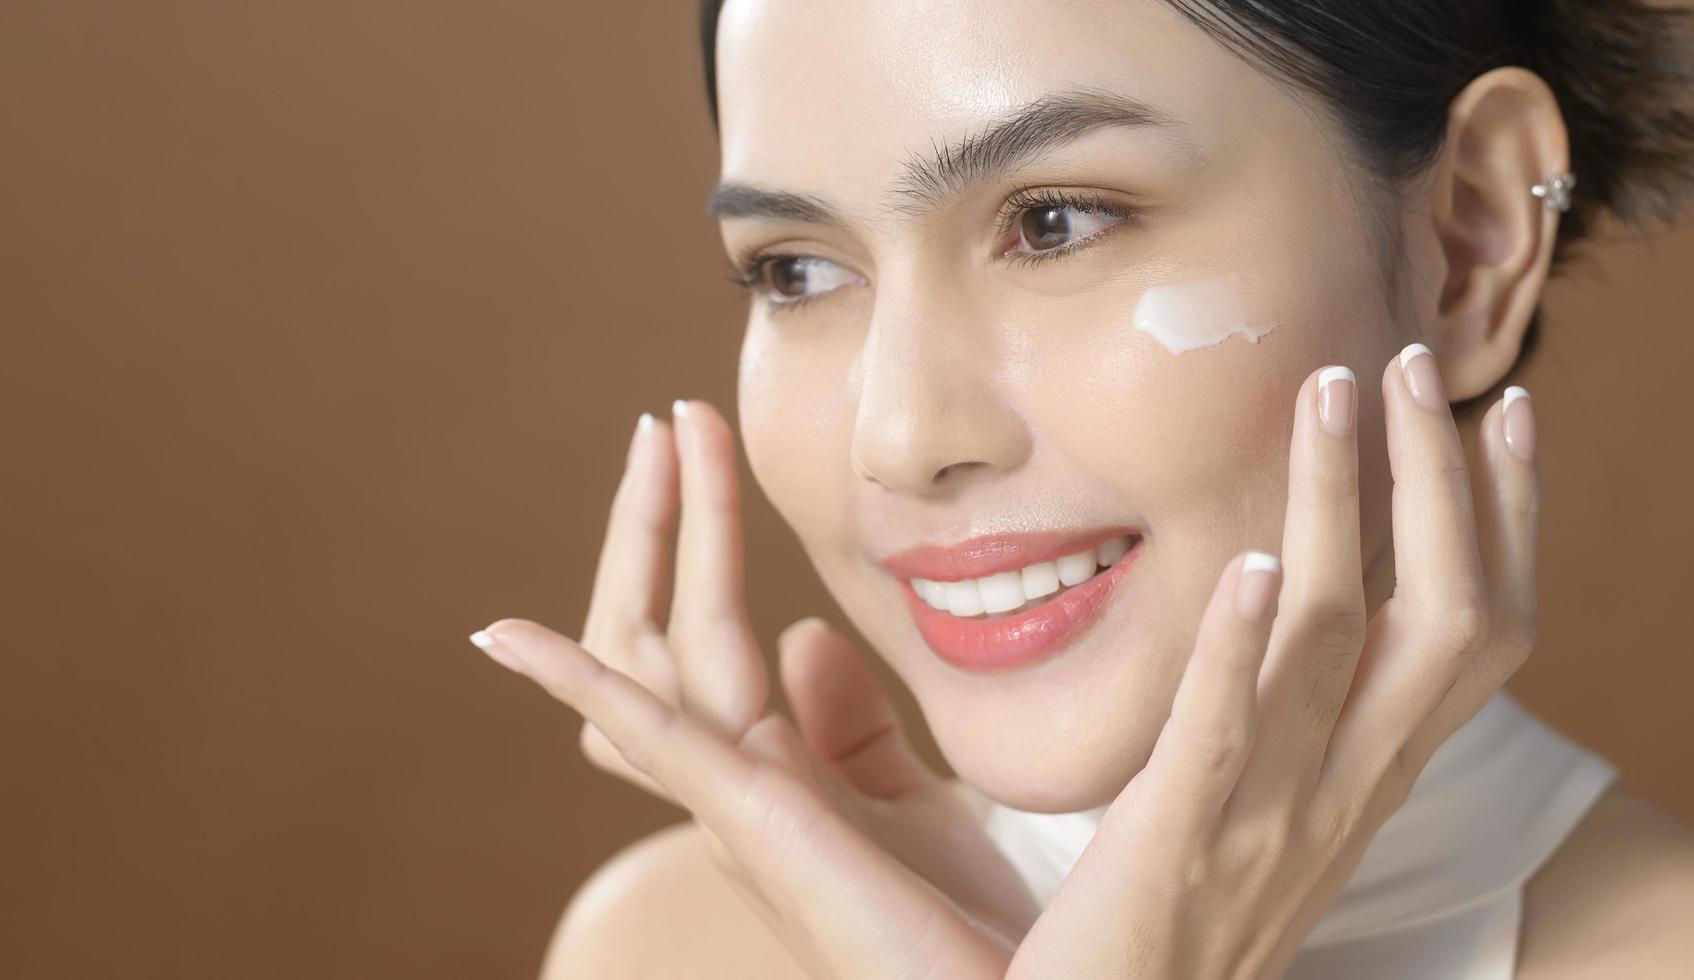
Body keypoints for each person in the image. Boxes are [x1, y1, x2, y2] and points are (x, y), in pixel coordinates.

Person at [474, 1, 1694, 976]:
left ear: (1469, 236)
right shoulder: (668, 948)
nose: (897, 436)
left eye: (1052, 222)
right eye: (793, 269)